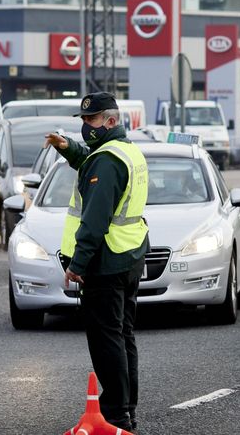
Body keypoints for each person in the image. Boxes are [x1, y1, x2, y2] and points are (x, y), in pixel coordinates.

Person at [44, 92, 149, 434]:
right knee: (122, 335)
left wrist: (77, 264)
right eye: (84, 121)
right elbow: (89, 159)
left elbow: (94, 220)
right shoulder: (124, 151)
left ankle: (116, 414)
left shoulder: (107, 161)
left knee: (107, 340)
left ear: (111, 121)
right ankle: (126, 409)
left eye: (91, 120)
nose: (86, 126)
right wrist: (68, 147)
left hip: (104, 262)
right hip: (128, 256)